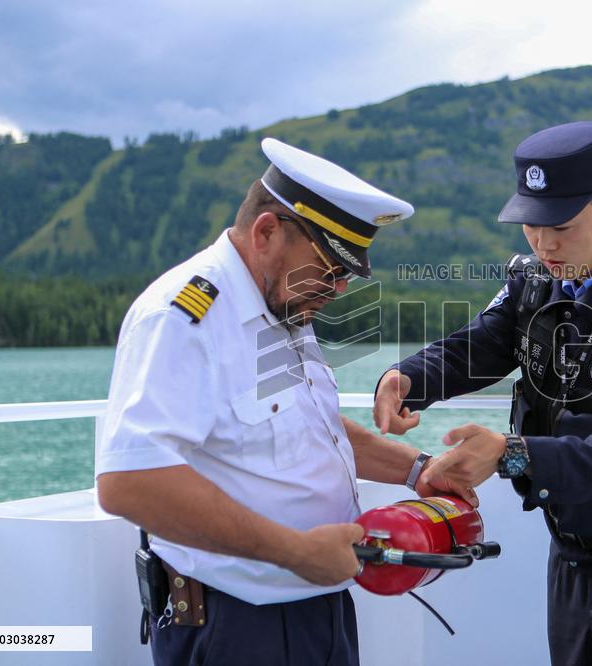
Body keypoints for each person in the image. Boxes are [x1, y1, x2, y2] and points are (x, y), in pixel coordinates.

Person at [96, 137, 472, 665]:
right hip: (236, 624)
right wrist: (295, 553)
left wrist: (418, 470)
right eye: (330, 268)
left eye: (347, 274)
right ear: (267, 232)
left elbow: (309, 426)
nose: (338, 289)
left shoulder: (282, 300)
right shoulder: (183, 317)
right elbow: (128, 482)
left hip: (317, 607)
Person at [373, 121, 592, 665]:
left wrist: (510, 453)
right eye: (530, 225)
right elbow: (476, 349)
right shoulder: (534, 282)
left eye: (561, 224)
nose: (545, 243)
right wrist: (407, 380)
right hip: (571, 544)